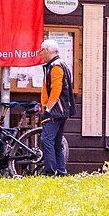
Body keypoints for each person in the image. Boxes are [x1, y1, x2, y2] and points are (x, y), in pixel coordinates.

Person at [36, 38, 75, 175]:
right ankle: (61, 171)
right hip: (62, 111)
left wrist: (48, 109)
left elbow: (56, 90)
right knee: (57, 142)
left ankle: (50, 172)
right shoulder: (61, 64)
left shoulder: (55, 66)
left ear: (46, 50)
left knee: (46, 139)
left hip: (55, 111)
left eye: (41, 50)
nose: (40, 54)